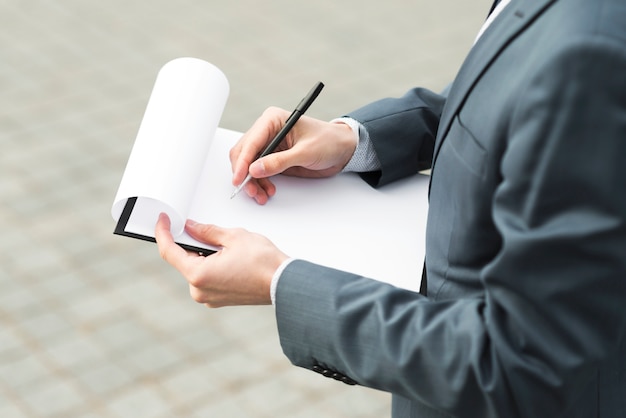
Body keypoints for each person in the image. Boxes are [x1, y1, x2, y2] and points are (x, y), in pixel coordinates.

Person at [155, 0, 626, 416]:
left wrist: (281, 283)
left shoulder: (593, 49)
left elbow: (521, 362)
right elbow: (508, 92)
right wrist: (355, 140)